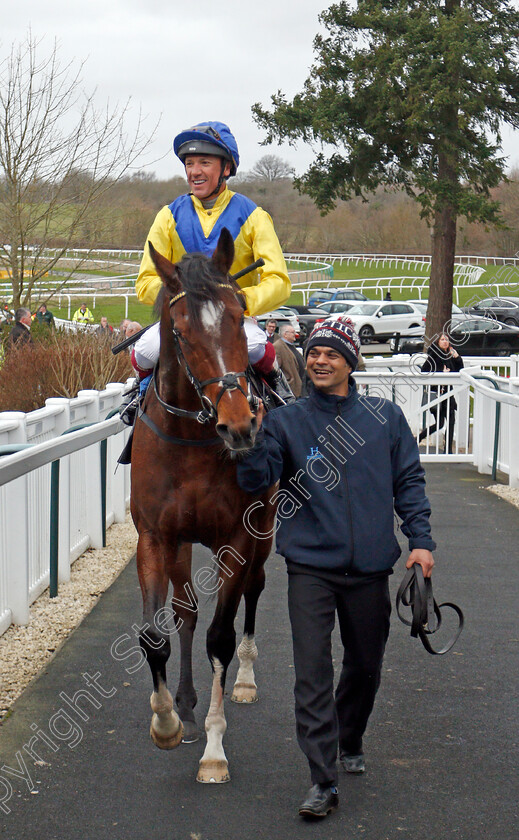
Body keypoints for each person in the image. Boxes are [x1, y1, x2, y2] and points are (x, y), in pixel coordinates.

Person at [237, 314, 435, 819]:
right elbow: (257, 479)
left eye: (331, 354)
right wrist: (251, 439)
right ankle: (322, 779)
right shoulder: (285, 421)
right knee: (311, 672)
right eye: (314, 353)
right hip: (311, 567)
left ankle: (350, 737)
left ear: (351, 361)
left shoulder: (385, 418)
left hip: (371, 567)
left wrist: (420, 541)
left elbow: (409, 482)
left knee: (365, 666)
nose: (319, 360)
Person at [132, 121, 291, 403]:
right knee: (144, 350)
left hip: (232, 322)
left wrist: (237, 300)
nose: (194, 172)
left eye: (204, 162)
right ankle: (138, 395)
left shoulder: (254, 216)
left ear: (226, 169)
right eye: (190, 163)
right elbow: (145, 282)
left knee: (256, 347)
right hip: (183, 321)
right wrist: (183, 299)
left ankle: (279, 393)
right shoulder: (167, 216)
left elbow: (278, 282)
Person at [418, 332, 464, 454]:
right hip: (437, 393)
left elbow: (460, 371)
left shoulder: (451, 355)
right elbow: (424, 371)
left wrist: (457, 358)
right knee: (440, 423)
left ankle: (448, 450)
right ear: (438, 343)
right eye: (442, 339)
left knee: (451, 421)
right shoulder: (433, 356)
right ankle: (418, 438)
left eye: (447, 339)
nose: (445, 341)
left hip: (448, 394)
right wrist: (440, 372)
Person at [273, 324, 305, 397]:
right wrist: (288, 381)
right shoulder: (278, 346)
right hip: (291, 390)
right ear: (285, 334)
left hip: (300, 389)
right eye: (293, 332)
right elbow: (276, 369)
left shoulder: (290, 345)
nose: (295, 334)